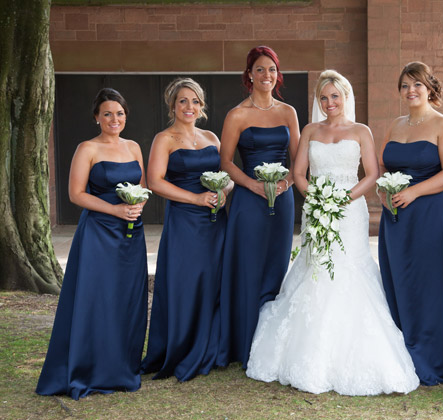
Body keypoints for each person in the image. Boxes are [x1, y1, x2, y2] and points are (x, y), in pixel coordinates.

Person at [246, 70, 420, 395]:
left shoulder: (361, 131)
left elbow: (372, 174)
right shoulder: (311, 130)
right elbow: (299, 173)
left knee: (348, 268)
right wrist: (315, 197)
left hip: (349, 210)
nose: (330, 103)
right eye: (324, 97)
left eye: (335, 96)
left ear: (346, 97)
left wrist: (344, 198)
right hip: (317, 208)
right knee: (316, 268)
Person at [36, 88, 148, 400]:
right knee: (97, 298)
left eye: (120, 113)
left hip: (132, 234)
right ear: (97, 117)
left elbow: (142, 185)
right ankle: (89, 369)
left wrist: (136, 206)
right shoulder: (87, 148)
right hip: (99, 234)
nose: (115, 119)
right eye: (108, 113)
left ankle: (122, 367)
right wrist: (114, 209)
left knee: (126, 298)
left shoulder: (134, 147)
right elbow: (76, 194)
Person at [377, 62, 443, 385]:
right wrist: (384, 192)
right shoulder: (395, 126)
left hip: (431, 214)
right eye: (405, 86)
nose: (411, 91)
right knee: (401, 281)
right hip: (397, 218)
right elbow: (384, 166)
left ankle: (434, 358)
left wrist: (413, 192)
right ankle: (404, 352)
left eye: (417, 85)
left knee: (430, 284)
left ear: (430, 88)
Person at [140, 78, 232, 381]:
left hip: (215, 221)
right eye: (183, 101)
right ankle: (182, 347)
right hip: (184, 221)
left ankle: (212, 347)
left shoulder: (212, 137)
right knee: (186, 281)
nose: (189, 107)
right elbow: (154, 182)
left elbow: (227, 175)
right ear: (172, 105)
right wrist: (195, 198)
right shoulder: (164, 139)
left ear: (201, 106)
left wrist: (225, 191)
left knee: (213, 281)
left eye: (194, 101)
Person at [218, 46, 300, 369]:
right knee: (248, 267)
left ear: (278, 75)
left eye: (272, 70)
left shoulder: (288, 113)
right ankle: (244, 343)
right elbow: (225, 162)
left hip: (282, 201)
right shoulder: (236, 115)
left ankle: (271, 346)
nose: (267, 76)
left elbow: (299, 159)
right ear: (249, 74)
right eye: (260, 70)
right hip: (247, 201)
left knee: (276, 267)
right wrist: (251, 185)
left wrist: (287, 183)